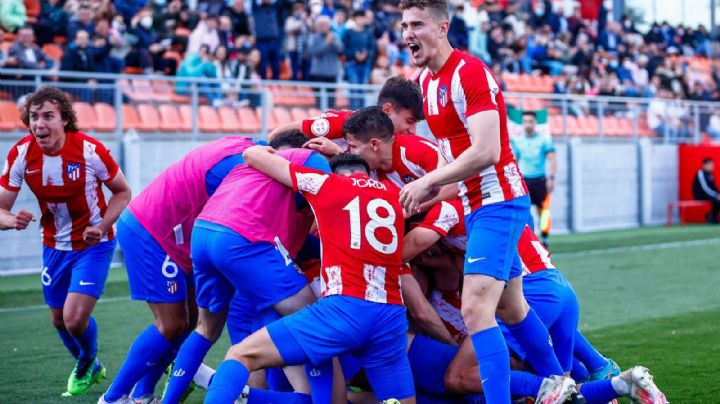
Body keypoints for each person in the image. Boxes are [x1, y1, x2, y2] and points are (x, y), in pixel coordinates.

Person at [398, 0, 565, 402]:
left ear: (443, 27)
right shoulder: (424, 84)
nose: (408, 34)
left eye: (417, 24)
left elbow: (487, 151)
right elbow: (456, 162)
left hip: (500, 201)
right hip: (476, 205)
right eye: (404, 25)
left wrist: (429, 183)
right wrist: (433, 191)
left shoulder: (469, 72)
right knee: (511, 310)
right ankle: (567, 384)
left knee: (475, 310)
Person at [206, 110, 415, 403]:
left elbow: (256, 157)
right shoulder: (396, 193)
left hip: (344, 309)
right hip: (391, 315)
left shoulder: (328, 184)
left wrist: (260, 148)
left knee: (240, 354)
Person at [162, 143, 333, 404]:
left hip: (205, 233)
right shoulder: (314, 161)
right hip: (243, 238)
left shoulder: (256, 169)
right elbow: (335, 212)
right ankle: (310, 399)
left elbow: (297, 243)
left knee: (207, 328)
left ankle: (171, 400)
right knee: (314, 321)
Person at [0, 87, 131, 397]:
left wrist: (101, 226)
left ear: (64, 121)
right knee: (58, 320)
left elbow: (122, 192)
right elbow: (1, 209)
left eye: (48, 116)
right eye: (34, 117)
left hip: (93, 245)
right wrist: (10, 221)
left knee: (73, 319)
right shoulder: (20, 153)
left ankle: (87, 360)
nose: (39, 124)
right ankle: (91, 365)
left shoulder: (89, 150)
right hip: (54, 246)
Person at [510, 110, 556, 246]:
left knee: (543, 211)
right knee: (523, 212)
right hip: (524, 181)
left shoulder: (544, 140)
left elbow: (552, 159)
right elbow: (514, 161)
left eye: (530, 121)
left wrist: (551, 178)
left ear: (535, 122)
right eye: (525, 122)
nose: (527, 124)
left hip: (540, 180)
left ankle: (545, 239)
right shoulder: (517, 141)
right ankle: (528, 240)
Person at [692, 157, 720, 224]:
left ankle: (712, 216)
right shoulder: (700, 173)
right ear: (705, 165)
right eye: (710, 164)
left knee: (717, 200)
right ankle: (712, 216)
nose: (712, 166)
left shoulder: (710, 174)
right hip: (700, 195)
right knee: (717, 200)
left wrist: (718, 193)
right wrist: (716, 195)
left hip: (709, 195)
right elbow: (705, 188)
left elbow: (713, 187)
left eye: (712, 164)